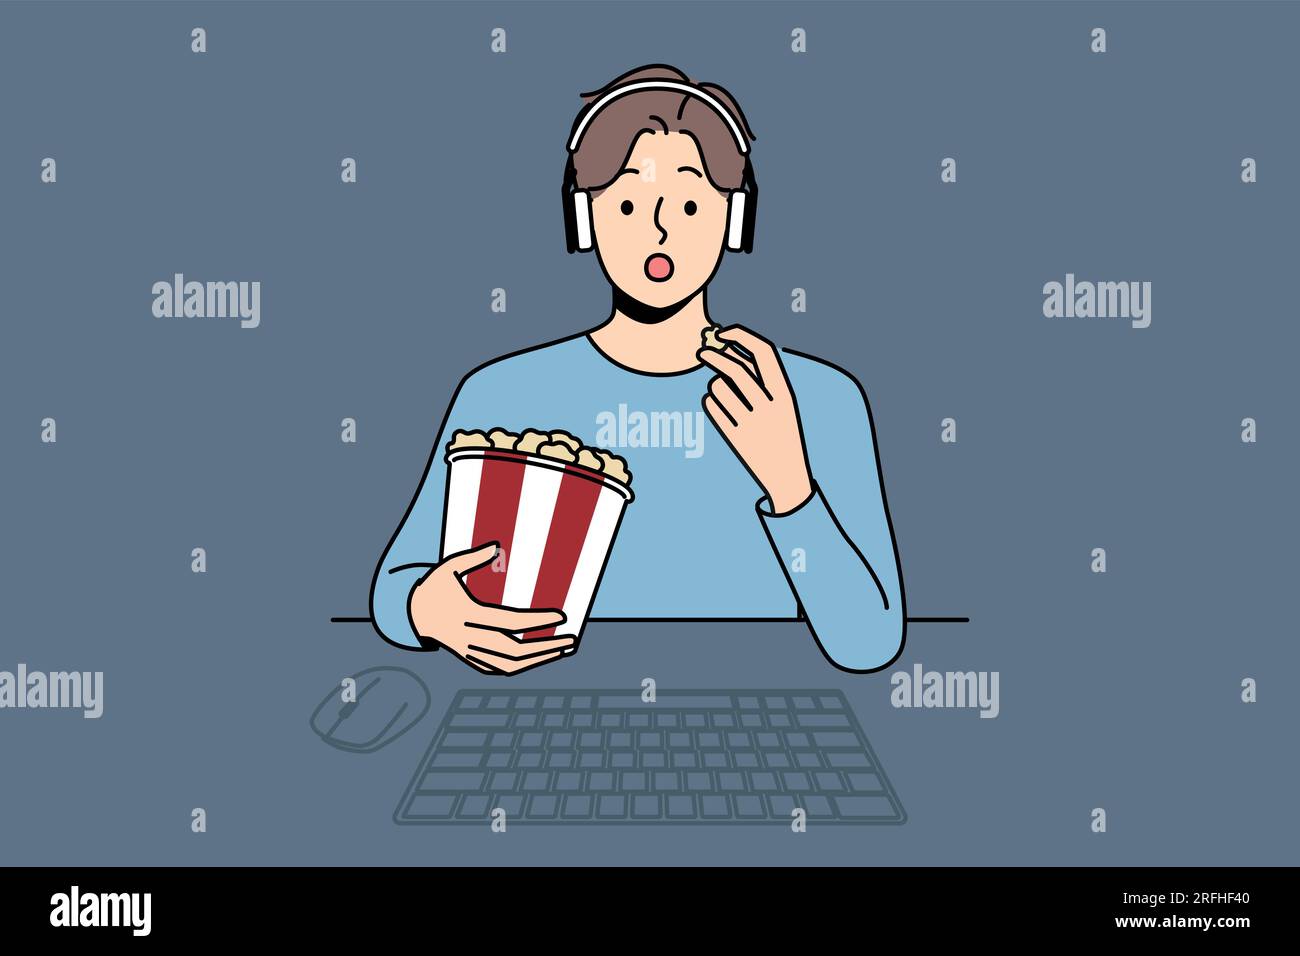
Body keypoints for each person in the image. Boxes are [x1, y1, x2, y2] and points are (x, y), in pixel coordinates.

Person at [369, 64, 906, 675]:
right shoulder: (499, 393)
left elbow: (870, 641)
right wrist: (426, 612)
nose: (659, 230)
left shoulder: (819, 399)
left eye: (688, 203)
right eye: (627, 202)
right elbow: (394, 586)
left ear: (734, 220)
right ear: (582, 219)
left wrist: (790, 485)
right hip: (539, 717)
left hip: (758, 723)